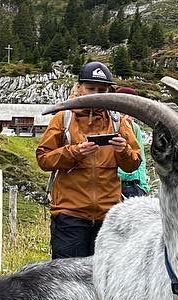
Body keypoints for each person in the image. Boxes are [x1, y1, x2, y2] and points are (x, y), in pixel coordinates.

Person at [36, 61, 143, 258]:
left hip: (108, 218)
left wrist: (123, 150)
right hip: (70, 217)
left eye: (101, 89)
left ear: (109, 91)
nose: (95, 93)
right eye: (90, 88)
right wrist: (75, 152)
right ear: (79, 88)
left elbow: (134, 163)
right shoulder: (63, 119)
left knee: (106, 280)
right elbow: (43, 158)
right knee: (67, 282)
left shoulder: (118, 121)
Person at [114, 86, 153, 199]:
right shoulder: (111, 125)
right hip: (115, 184)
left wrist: (143, 185)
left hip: (134, 185)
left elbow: (141, 157)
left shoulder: (135, 128)